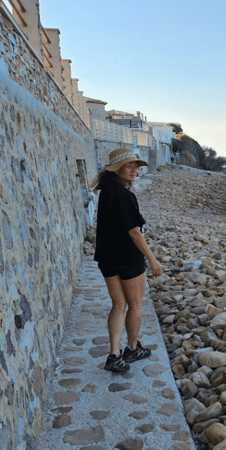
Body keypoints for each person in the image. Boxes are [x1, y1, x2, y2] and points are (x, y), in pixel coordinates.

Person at [91, 148, 163, 373]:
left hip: (107, 256)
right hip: (128, 257)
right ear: (117, 168)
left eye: (137, 167)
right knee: (135, 305)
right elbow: (134, 232)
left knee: (118, 304)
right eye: (129, 166)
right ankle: (132, 348)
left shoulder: (106, 191)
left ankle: (114, 355)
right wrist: (153, 260)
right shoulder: (124, 195)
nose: (134, 171)